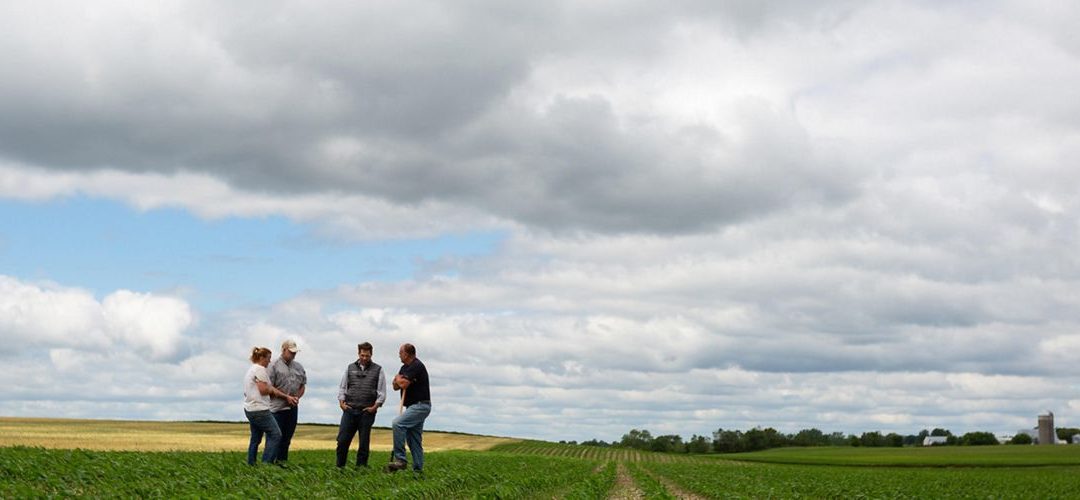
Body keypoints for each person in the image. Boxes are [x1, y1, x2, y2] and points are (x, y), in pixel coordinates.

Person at [243, 347, 298, 465]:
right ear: (262, 358)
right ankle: (266, 463)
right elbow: (263, 390)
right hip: (260, 410)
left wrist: (272, 389)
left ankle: (251, 463)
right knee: (276, 434)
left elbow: (251, 390)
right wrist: (272, 390)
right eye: (268, 358)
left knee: (256, 438)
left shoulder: (251, 370)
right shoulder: (260, 370)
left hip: (250, 408)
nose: (269, 361)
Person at [336, 342, 386, 467]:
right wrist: (341, 403)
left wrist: (375, 407)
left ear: (371, 355)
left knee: (364, 443)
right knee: (342, 441)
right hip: (349, 409)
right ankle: (339, 467)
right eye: (362, 355)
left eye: (367, 356)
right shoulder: (350, 368)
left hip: (366, 411)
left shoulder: (378, 369)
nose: (364, 358)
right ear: (358, 354)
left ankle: (361, 469)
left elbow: (382, 392)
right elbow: (343, 387)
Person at [386, 343, 431, 473]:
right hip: (412, 406)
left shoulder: (416, 366)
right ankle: (418, 470)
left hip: (420, 406)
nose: (399, 355)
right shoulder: (404, 368)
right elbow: (395, 386)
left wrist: (398, 379)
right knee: (414, 439)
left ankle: (401, 459)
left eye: (400, 353)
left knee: (397, 424)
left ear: (406, 354)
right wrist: (397, 379)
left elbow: (403, 384)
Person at [268, 339, 306, 464]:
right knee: (275, 438)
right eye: (291, 352)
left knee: (287, 438)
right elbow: (269, 387)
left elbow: (302, 385)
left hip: (292, 408)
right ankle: (269, 463)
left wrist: (296, 398)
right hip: (277, 408)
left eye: (295, 352)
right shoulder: (273, 365)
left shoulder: (299, 366)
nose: (293, 355)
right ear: (284, 350)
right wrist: (286, 397)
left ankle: (281, 463)